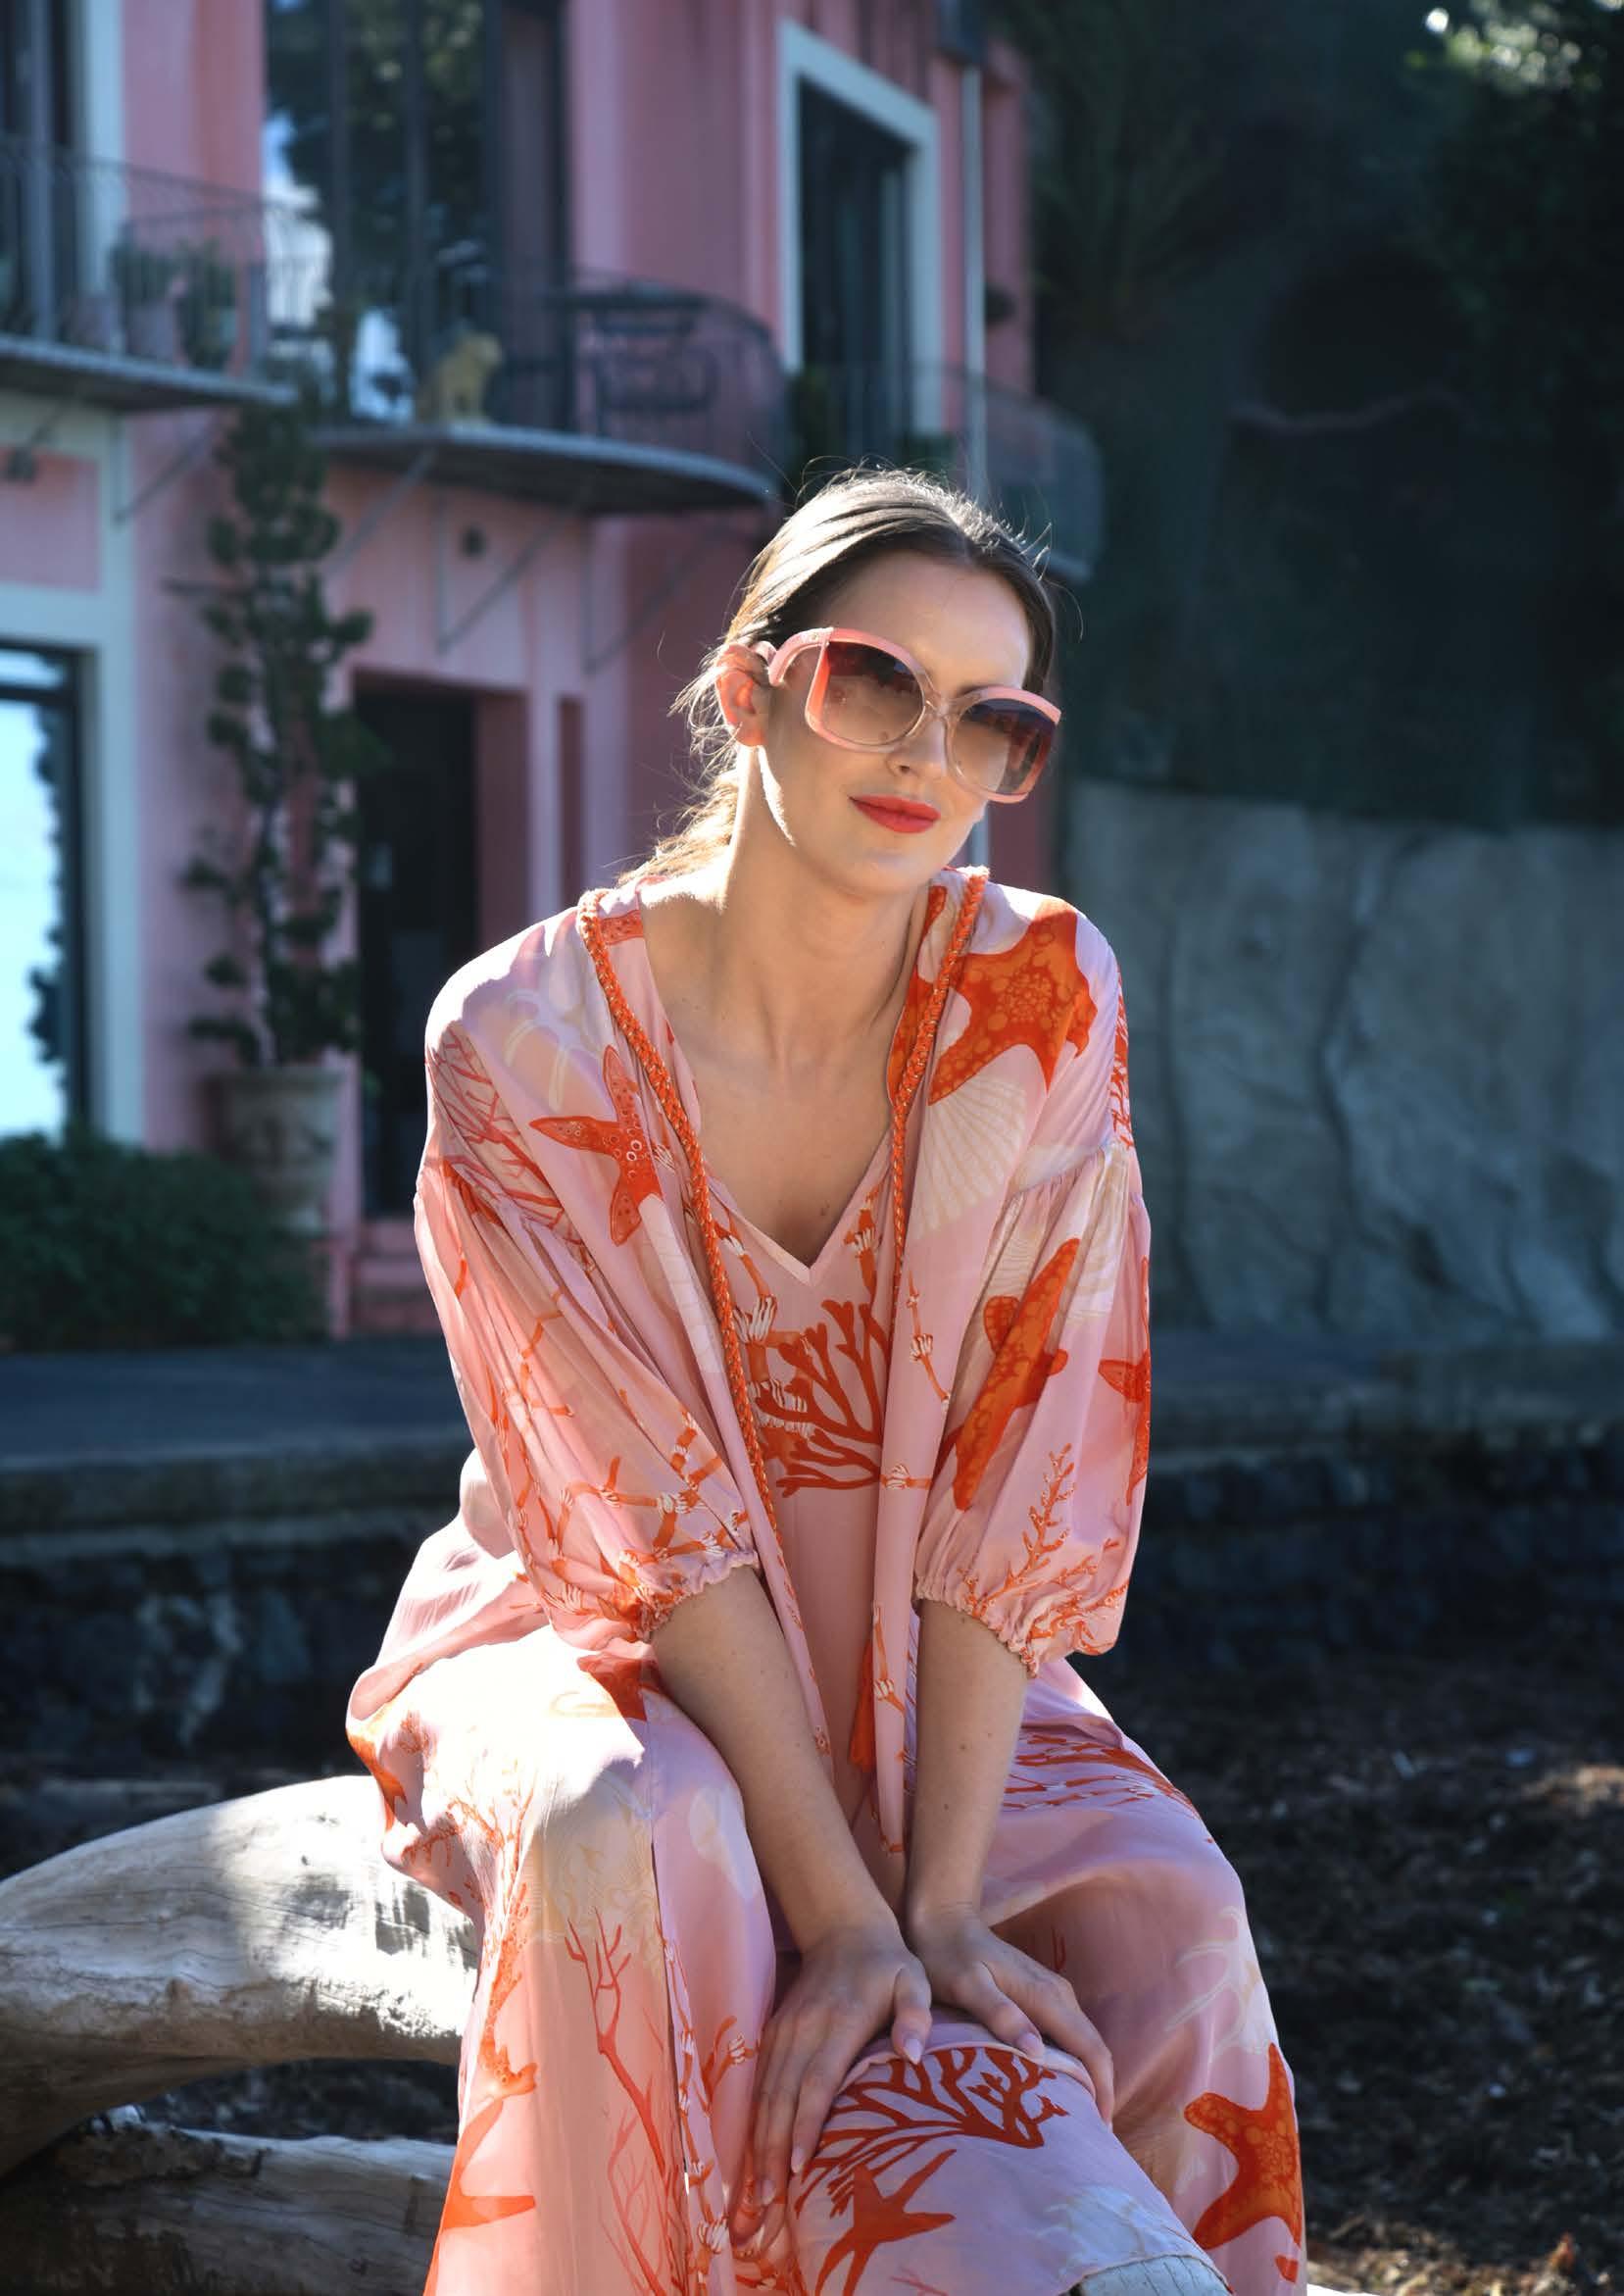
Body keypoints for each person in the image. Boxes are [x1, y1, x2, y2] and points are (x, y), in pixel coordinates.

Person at [346, 469, 1305, 2296]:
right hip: (606, 1628)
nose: (927, 753)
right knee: (630, 1833)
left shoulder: (1038, 992)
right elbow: (645, 1519)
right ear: (749, 686)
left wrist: (932, 1902)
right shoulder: (522, 1037)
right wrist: (843, 1913)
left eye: (991, 718)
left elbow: (1022, 1466)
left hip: (919, 1647)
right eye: (876, 682)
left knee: (1173, 1909)